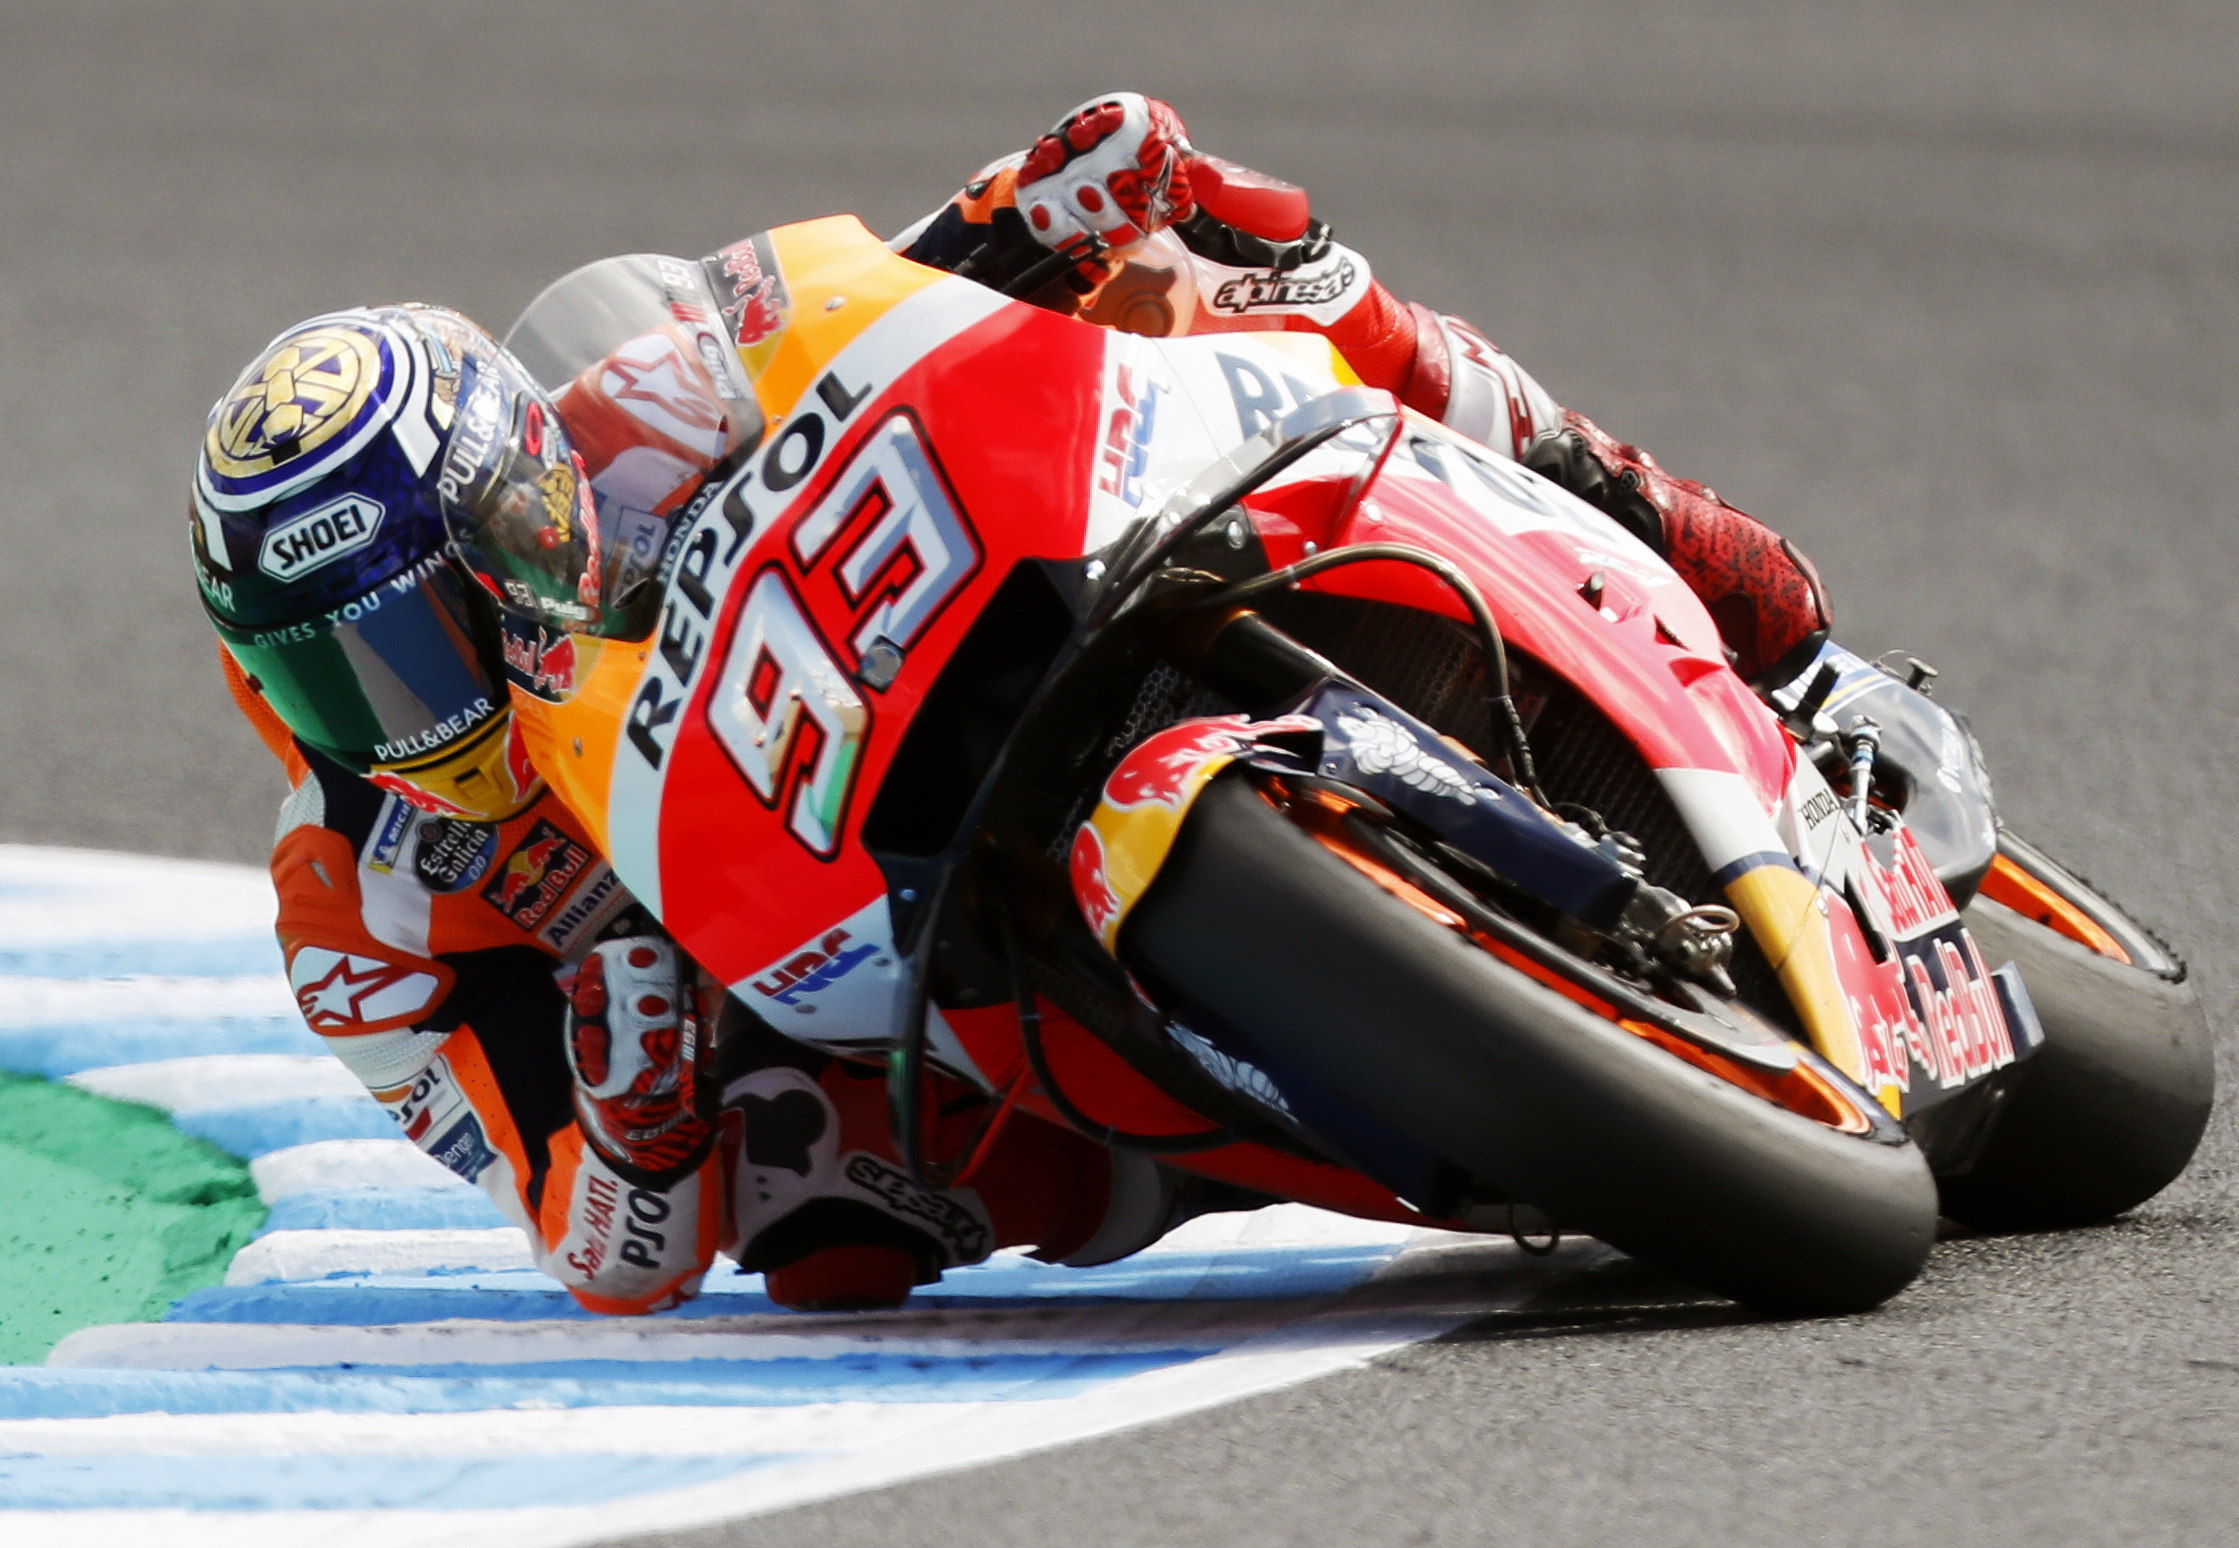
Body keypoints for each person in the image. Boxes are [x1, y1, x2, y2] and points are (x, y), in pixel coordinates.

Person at [191, 92, 1828, 1317]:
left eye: (426, 624)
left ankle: (1622, 496)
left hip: (935, 631)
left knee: (1226, 277)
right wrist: (632, 1129)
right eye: (337, 671)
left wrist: (1033, 207)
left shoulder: (623, 415)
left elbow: (854, 315)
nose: (411, 701)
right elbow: (603, 1259)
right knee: (813, 1219)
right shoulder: (361, 905)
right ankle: (1308, 1097)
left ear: (515, 502)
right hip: (830, 966)